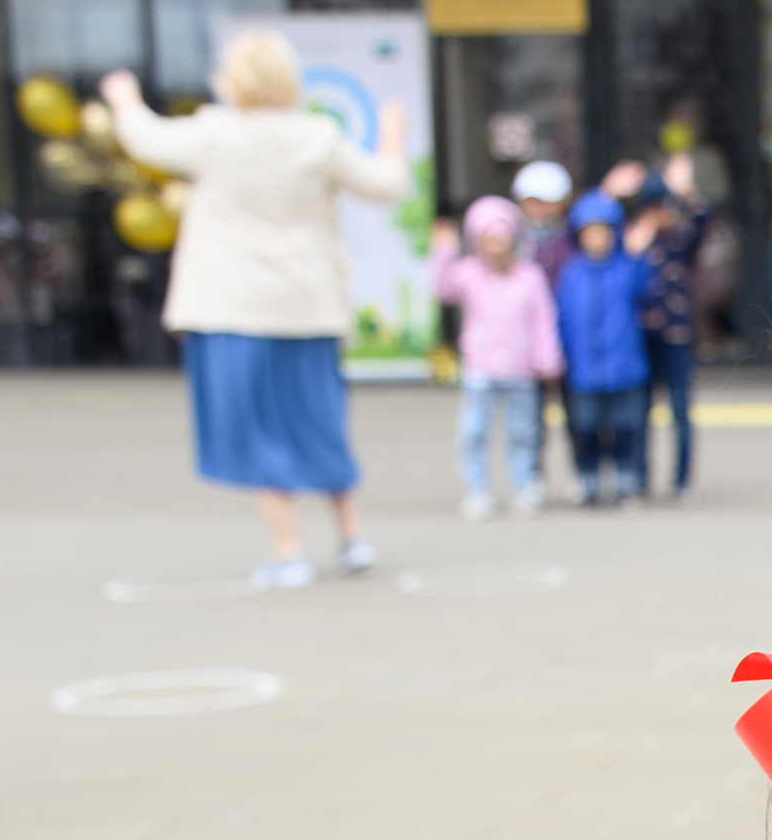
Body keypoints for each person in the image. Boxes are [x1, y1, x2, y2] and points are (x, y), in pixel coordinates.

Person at [102, 32, 402, 590]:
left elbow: (144, 139)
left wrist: (123, 97)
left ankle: (287, 548)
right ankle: (352, 535)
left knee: (257, 427)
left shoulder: (215, 134)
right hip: (308, 305)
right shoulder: (319, 135)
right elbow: (384, 185)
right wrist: (391, 137)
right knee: (318, 419)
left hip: (233, 308)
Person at [430, 193, 562, 518]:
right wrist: (443, 251)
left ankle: (524, 485)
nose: (493, 247)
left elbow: (542, 319)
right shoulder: (469, 273)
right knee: (475, 432)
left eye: (499, 240)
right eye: (487, 240)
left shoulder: (529, 276)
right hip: (481, 369)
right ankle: (478, 490)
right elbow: (442, 288)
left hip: (521, 369)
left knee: (523, 432)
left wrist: (547, 358)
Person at [552, 188, 659, 503]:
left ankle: (627, 482)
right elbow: (563, 317)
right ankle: (589, 480)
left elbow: (646, 289)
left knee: (627, 427)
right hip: (584, 370)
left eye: (604, 231)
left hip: (625, 366)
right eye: (590, 232)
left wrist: (638, 253)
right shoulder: (571, 273)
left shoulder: (627, 269)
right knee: (585, 428)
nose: (597, 238)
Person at [621, 153, 711, 498]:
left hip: (676, 336)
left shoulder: (680, 240)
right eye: (654, 207)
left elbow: (705, 218)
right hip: (639, 338)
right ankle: (639, 477)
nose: (661, 214)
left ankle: (682, 479)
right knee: (638, 412)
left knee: (680, 411)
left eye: (666, 206)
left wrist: (687, 191)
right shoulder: (635, 243)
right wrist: (636, 242)